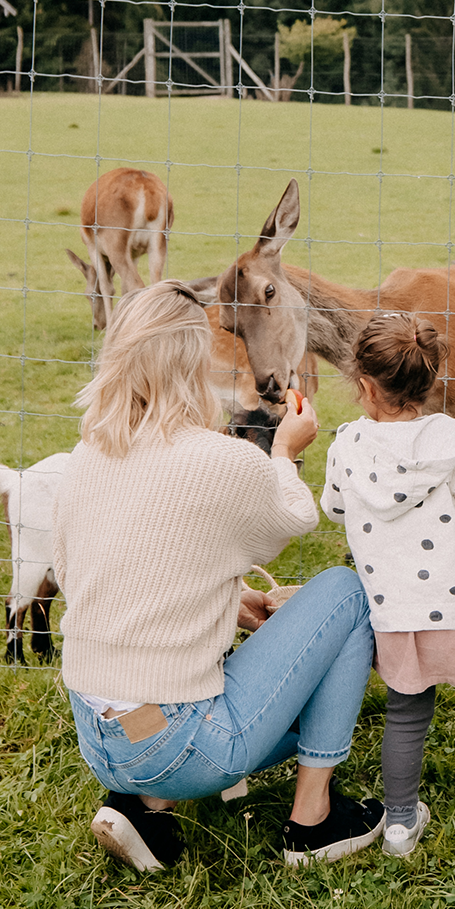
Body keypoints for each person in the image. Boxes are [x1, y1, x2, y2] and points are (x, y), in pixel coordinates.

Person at [52, 281, 383, 872]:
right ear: (193, 360)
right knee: (345, 594)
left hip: (99, 735)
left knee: (284, 652)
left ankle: (143, 803)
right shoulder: (218, 460)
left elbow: (99, 574)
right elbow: (294, 515)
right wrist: (284, 451)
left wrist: (227, 603)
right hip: (185, 742)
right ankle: (313, 823)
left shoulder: (85, 458)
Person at [320, 312, 455, 862]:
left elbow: (333, 505)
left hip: (395, 612)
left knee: (405, 713)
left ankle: (398, 824)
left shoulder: (346, 445)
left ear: (364, 385)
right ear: (431, 380)